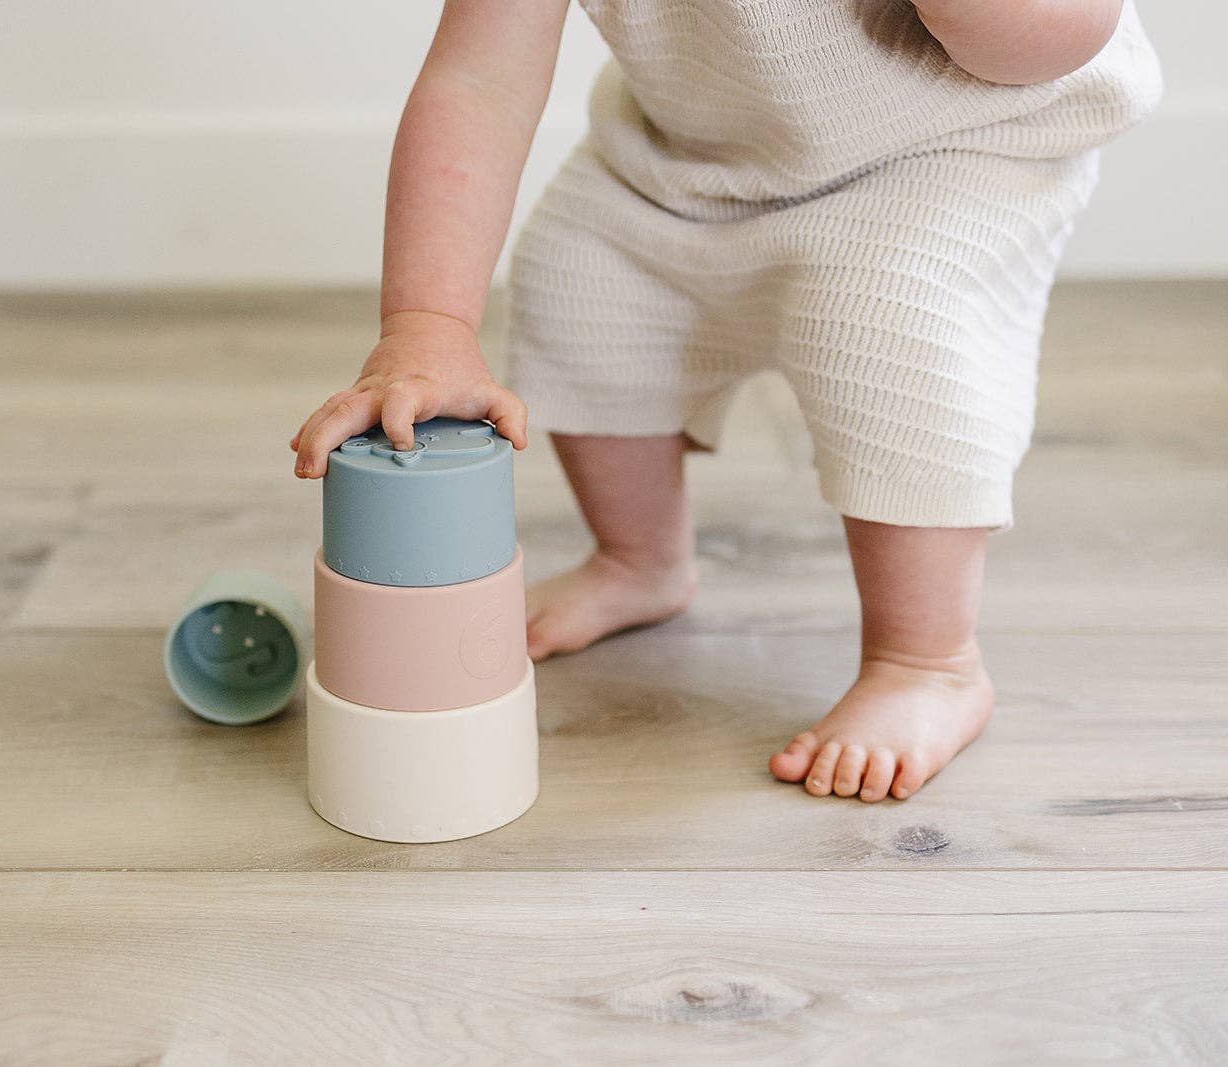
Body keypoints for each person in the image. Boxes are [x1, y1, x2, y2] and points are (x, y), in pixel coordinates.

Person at [289, 0, 1161, 801]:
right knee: (576, 274)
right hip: (695, 163)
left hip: (950, 149)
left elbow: (1060, 36)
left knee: (884, 319)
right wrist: (428, 322)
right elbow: (479, 80)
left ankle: (926, 659)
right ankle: (638, 559)